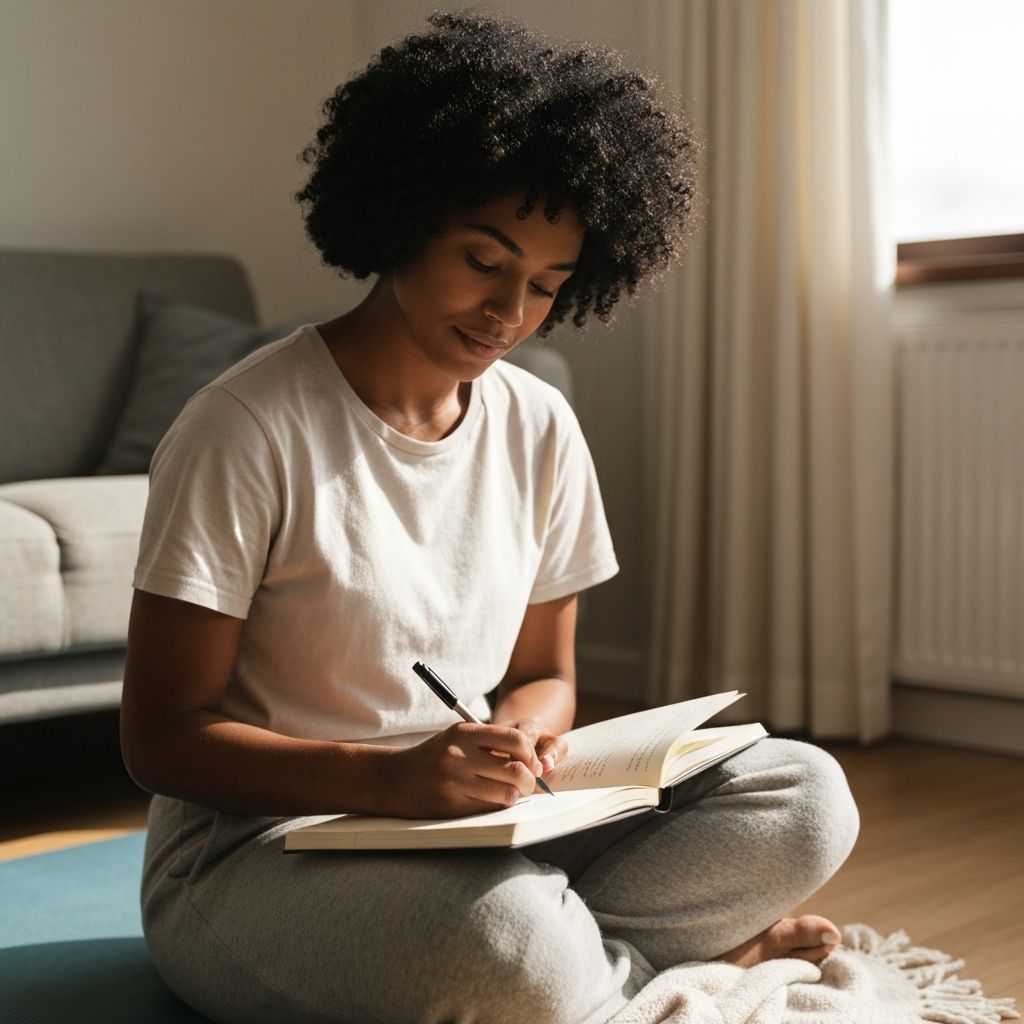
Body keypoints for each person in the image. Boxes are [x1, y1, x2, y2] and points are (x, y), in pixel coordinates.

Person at [120, 11, 859, 1024]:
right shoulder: (245, 426)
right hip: (257, 856)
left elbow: (544, 675)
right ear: (404, 216)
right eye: (483, 260)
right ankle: (676, 971)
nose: (508, 311)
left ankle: (594, 969)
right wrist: (391, 782)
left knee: (804, 795)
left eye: (546, 286)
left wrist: (521, 736)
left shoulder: (540, 423)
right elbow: (161, 737)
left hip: (475, 824)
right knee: (498, 946)